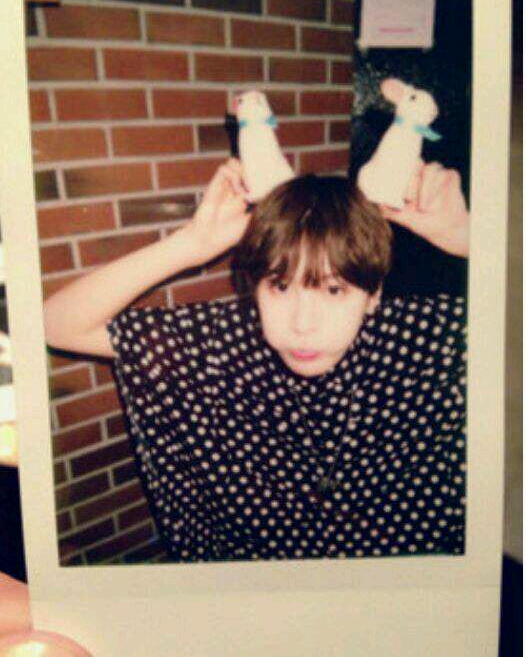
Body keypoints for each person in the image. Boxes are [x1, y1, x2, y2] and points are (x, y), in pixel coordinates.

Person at [44, 157, 469, 562]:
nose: (302, 323)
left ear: (373, 294)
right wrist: (191, 245)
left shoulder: (426, 340)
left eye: (334, 290)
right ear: (256, 287)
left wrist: (471, 241)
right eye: (280, 287)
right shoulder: (224, 344)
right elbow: (56, 325)